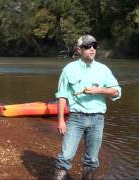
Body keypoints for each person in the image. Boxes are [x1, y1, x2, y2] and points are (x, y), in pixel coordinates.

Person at [53, 34, 121, 180]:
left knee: (91, 160)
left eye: (94, 46)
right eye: (88, 46)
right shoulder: (69, 69)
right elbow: (62, 96)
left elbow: (116, 92)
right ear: (79, 50)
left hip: (97, 120)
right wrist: (60, 120)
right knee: (64, 157)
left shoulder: (103, 70)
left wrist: (99, 90)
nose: (92, 49)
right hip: (76, 119)